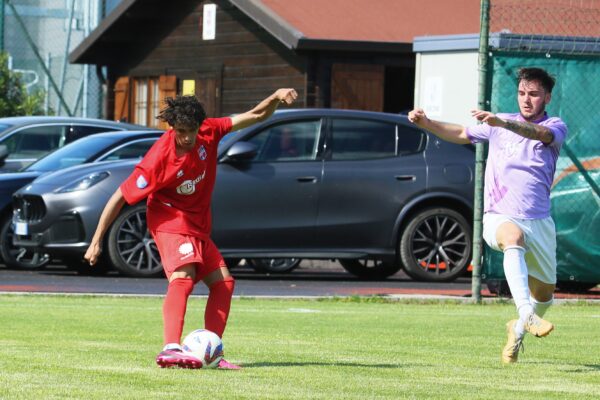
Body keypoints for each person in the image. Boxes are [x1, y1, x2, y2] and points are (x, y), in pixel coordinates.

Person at [84, 88, 298, 369]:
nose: (187, 137)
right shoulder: (159, 157)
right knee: (183, 276)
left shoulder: (210, 131)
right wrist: (96, 240)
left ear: (200, 125)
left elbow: (256, 115)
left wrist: (275, 97)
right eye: (181, 131)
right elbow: (119, 197)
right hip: (168, 220)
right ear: (171, 127)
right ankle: (171, 347)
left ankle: (211, 353)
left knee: (224, 283)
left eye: (192, 130)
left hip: (197, 224)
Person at [407, 67, 567, 364]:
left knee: (545, 294)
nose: (526, 100)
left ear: (547, 97)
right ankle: (525, 315)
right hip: (499, 215)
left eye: (533, 94)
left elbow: (542, 134)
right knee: (512, 238)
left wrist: (503, 123)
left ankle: (517, 329)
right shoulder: (498, 125)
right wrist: (426, 122)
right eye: (521, 93)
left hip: (540, 222)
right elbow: (461, 133)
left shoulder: (555, 125)